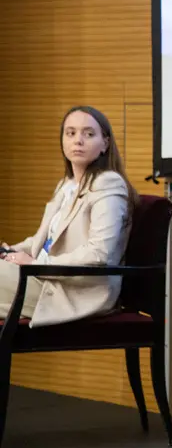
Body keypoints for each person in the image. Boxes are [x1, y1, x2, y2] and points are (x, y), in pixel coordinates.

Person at [0, 106, 137, 327]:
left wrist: (36, 263)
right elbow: (44, 241)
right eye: (70, 133)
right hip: (42, 277)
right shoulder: (66, 185)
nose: (78, 140)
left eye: (88, 134)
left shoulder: (108, 183)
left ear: (105, 143)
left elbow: (99, 253)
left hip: (75, 291)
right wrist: (11, 251)